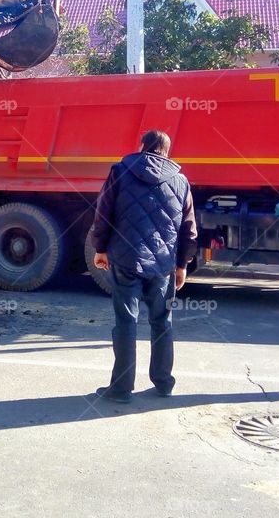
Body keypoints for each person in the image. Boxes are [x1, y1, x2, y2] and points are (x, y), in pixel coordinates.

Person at [90, 129, 198, 401]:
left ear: (142, 146)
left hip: (126, 259)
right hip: (163, 265)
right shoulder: (180, 181)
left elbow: (103, 212)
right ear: (167, 151)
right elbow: (189, 229)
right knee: (162, 321)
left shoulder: (121, 171)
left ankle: (121, 389)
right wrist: (182, 264)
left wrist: (100, 248)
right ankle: (163, 383)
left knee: (126, 321)